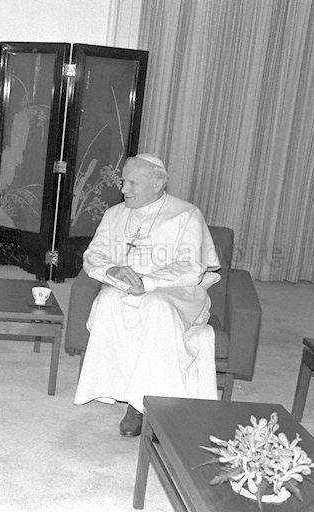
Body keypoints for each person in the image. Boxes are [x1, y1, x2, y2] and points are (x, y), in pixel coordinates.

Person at [73, 154, 220, 436]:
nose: (123, 189)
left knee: (156, 307)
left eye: (131, 183)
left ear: (157, 184)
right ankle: (116, 387)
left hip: (174, 291)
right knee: (107, 301)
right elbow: (94, 254)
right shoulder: (114, 215)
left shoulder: (186, 215)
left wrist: (148, 282)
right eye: (123, 181)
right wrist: (113, 270)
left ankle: (144, 405)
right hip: (126, 288)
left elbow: (191, 267)